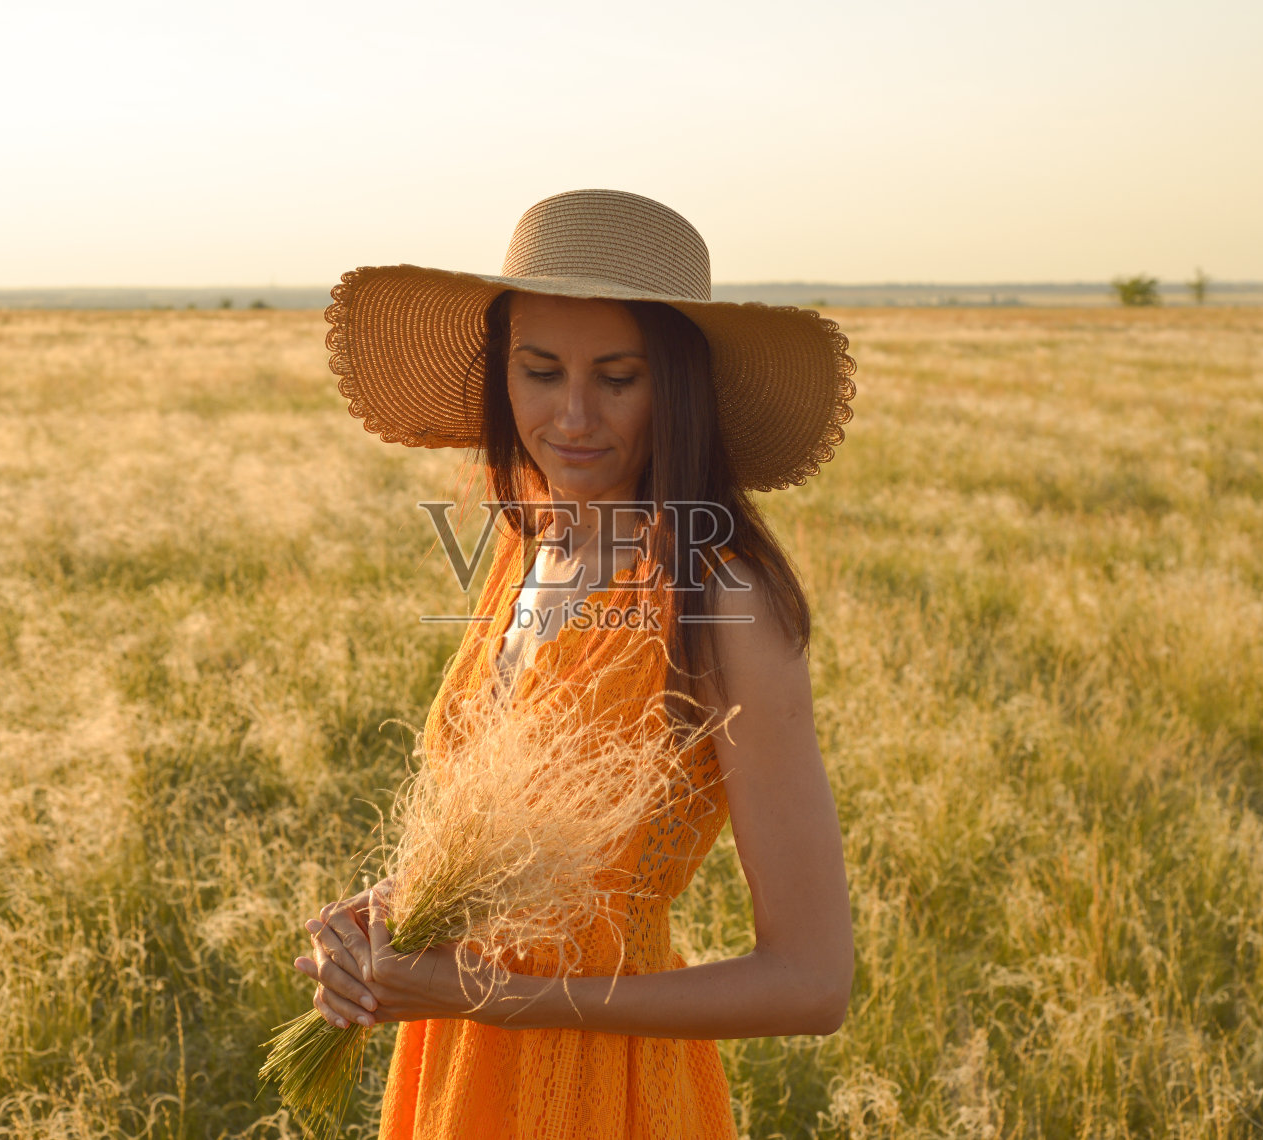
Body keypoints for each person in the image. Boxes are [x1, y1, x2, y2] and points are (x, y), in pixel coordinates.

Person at [293, 189, 857, 1138]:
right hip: (455, 1076)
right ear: (500, 377)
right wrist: (393, 922)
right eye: (541, 371)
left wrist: (479, 994)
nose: (574, 417)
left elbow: (811, 984)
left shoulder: (722, 604)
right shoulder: (527, 548)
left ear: (678, 385)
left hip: (607, 1097)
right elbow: (521, 849)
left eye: (619, 377)